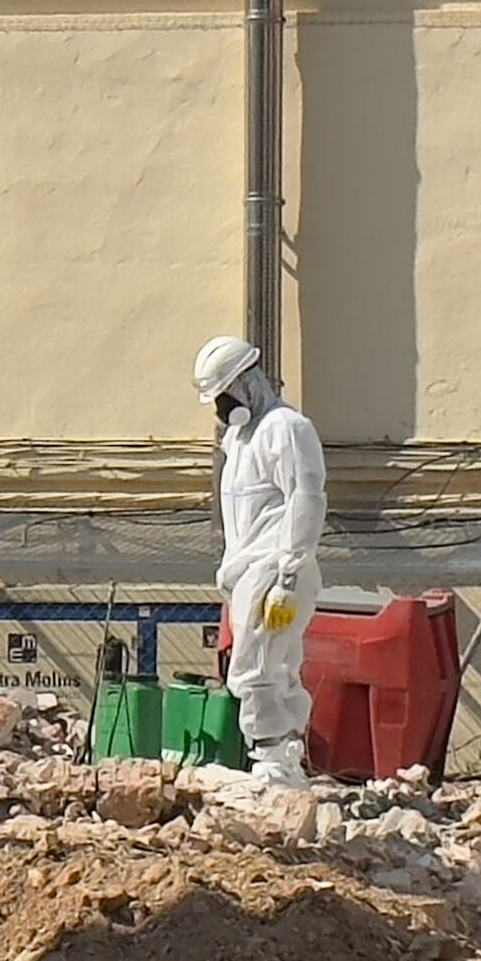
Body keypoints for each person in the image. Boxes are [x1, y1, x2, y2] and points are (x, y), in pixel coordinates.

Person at [192, 336, 323, 788]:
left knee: (257, 668)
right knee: (274, 665)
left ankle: (274, 764)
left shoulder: (286, 428)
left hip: (276, 568)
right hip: (253, 571)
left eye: (225, 395)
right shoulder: (241, 440)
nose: (222, 408)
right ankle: (282, 760)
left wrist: (289, 572)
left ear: (247, 383)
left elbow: (306, 498)